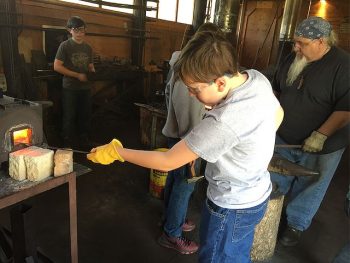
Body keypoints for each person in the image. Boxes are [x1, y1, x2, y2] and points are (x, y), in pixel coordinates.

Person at [87, 31, 283, 262]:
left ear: (220, 82)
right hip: (257, 193)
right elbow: (279, 114)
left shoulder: (224, 121)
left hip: (231, 206)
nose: (190, 94)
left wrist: (117, 152)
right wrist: (235, 143)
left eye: (195, 89)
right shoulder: (255, 78)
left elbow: (168, 161)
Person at [271, 16, 350, 247]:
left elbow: (346, 110)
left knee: (312, 184)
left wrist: (321, 135)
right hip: (284, 137)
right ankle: (271, 212)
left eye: (302, 43)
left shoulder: (344, 66)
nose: (295, 47)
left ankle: (296, 223)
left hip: (325, 145)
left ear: (321, 41)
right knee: (274, 178)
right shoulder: (293, 58)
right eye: (295, 41)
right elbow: (277, 89)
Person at [160, 22, 222, 254]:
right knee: (183, 188)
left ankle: (171, 220)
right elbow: (187, 110)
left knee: (175, 183)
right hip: (187, 140)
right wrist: (193, 149)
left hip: (179, 136)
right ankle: (171, 233)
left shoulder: (180, 63)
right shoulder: (190, 72)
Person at [54, 16, 95, 149]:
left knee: (85, 114)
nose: (79, 33)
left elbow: (90, 65)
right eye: (75, 30)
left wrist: (93, 72)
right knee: (69, 115)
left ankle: (84, 139)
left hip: (85, 87)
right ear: (69, 31)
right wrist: (77, 75)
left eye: (81, 30)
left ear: (85, 31)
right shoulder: (64, 46)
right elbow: (57, 66)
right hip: (70, 88)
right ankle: (67, 142)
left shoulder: (88, 47)